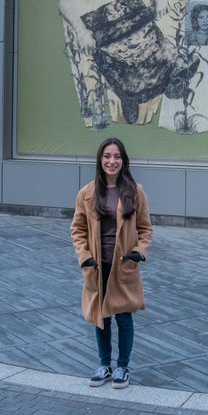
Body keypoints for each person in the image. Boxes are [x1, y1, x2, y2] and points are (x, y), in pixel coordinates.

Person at [70, 137, 152, 390]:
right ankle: (104, 365)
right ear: (100, 160)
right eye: (107, 156)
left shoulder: (135, 192)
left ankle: (122, 367)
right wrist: (85, 256)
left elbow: (146, 229)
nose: (112, 161)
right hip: (96, 265)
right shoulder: (87, 193)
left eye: (117, 156)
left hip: (122, 265)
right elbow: (77, 229)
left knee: (123, 317)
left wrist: (138, 253)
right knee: (101, 317)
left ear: (124, 161)